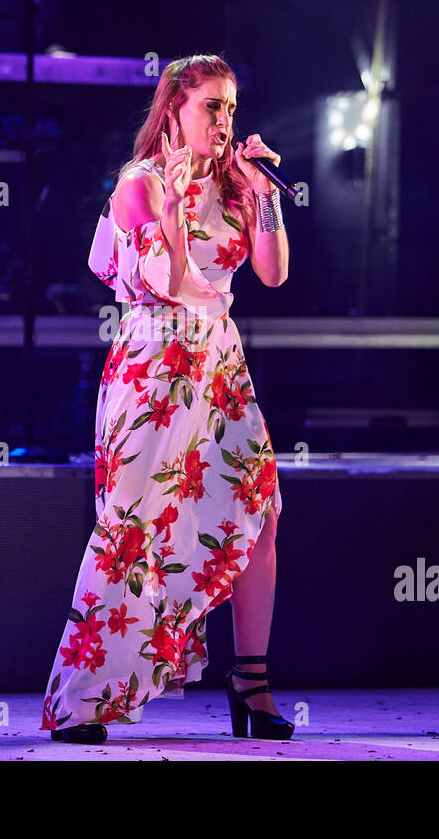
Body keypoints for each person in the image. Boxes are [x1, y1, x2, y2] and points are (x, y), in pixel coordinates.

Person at [42, 55, 291, 743]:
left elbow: (271, 273)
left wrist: (260, 189)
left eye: (231, 108)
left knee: (260, 508)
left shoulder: (236, 184)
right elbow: (172, 279)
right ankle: (85, 696)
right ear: (175, 109)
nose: (224, 121)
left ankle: (252, 679)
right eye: (211, 106)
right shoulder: (141, 185)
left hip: (220, 363)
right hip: (156, 364)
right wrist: (179, 211)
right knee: (134, 527)